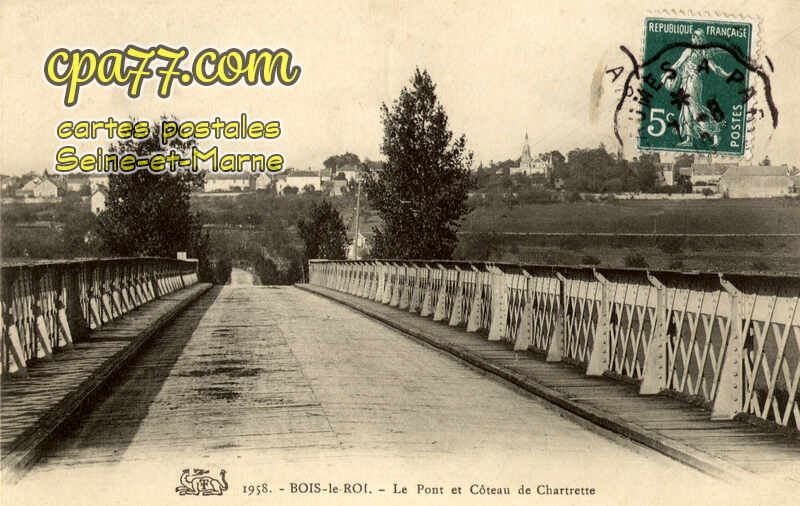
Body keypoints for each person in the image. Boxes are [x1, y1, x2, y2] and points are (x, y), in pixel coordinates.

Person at [660, 29, 732, 147]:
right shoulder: (701, 52)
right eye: (693, 36)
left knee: (695, 110)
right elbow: (716, 69)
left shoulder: (692, 51)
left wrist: (664, 78)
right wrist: (726, 74)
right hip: (687, 82)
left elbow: (677, 64)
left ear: (699, 39)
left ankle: (715, 133)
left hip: (692, 82)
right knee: (686, 110)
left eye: (695, 37)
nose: (693, 39)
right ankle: (689, 139)